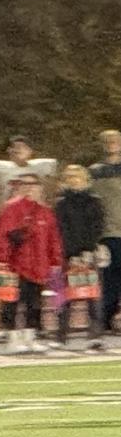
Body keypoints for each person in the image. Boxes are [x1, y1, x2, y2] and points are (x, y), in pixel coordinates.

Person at [0, 171, 64, 355]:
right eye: (25, 184)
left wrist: (55, 261)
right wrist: (1, 259)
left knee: (35, 303)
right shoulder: (12, 210)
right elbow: (2, 236)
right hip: (17, 265)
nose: (29, 188)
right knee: (13, 303)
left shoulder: (45, 212)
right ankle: (13, 338)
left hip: (39, 265)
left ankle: (31, 337)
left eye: (33, 184)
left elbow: (53, 239)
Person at [54, 165, 106, 348]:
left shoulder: (94, 200)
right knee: (63, 297)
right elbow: (61, 229)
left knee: (94, 296)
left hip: (89, 254)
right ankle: (60, 336)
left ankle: (95, 336)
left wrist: (88, 250)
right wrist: (71, 253)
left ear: (84, 178)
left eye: (76, 176)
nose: (73, 179)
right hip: (67, 255)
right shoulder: (61, 203)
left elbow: (97, 226)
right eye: (69, 176)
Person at [89, 130, 121, 338]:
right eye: (107, 141)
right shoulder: (95, 171)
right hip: (107, 234)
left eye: (115, 140)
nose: (112, 144)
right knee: (108, 280)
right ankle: (106, 321)